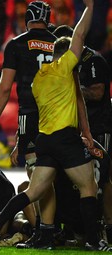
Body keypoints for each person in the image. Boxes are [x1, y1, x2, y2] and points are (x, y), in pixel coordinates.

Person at [0, 0, 112, 251]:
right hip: (65, 138)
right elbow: (80, 34)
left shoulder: (39, 80)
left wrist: (3, 125)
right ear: (67, 58)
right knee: (89, 187)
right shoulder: (65, 70)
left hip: (43, 138)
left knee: (35, 190)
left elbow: (9, 87)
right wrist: (90, 8)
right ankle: (94, 240)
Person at [0, 1, 57, 248]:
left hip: (31, 115)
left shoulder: (16, 44)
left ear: (27, 18)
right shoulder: (59, 43)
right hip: (60, 114)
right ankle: (50, 230)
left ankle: (44, 231)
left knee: (37, 174)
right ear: (48, 18)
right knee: (50, 174)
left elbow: (5, 87)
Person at [52, 25, 112, 157]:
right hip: (79, 129)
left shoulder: (93, 60)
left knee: (103, 169)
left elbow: (98, 93)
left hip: (99, 127)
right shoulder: (66, 64)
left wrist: (71, 90)